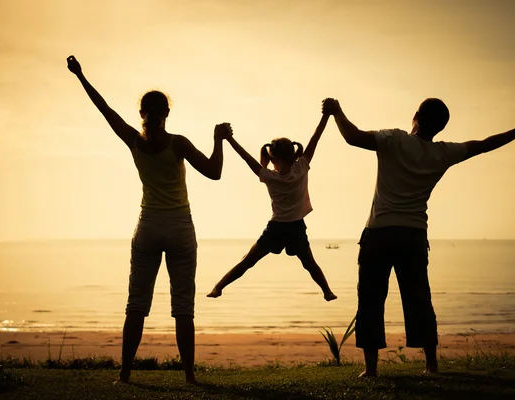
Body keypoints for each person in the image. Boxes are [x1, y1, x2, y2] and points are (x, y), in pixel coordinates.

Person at [322, 97, 515, 377]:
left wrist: (336, 112)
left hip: (379, 233)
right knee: (419, 299)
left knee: (370, 299)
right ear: (440, 127)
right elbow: (484, 144)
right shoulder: (442, 154)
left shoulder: (393, 139)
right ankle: (431, 365)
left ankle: (371, 370)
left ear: (415, 115)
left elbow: (353, 137)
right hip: (414, 236)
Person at [66, 55, 233, 384]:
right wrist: (218, 139)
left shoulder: (134, 141)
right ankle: (189, 378)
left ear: (142, 114)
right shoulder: (179, 143)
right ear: (167, 113)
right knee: (183, 306)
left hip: (148, 227)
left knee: (137, 303)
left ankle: (125, 376)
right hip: (181, 228)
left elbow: (105, 111)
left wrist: (81, 75)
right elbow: (214, 173)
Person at [207, 105, 337, 302]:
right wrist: (327, 115)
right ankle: (327, 291)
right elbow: (315, 138)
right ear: (294, 155)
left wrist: (229, 139)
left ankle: (218, 286)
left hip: (276, 228)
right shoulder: (301, 167)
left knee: (248, 261)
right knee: (310, 264)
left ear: (272, 157)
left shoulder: (267, 175)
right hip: (295, 228)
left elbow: (245, 157)